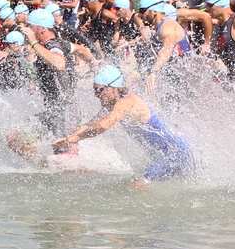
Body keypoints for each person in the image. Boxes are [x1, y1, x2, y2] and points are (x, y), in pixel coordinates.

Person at [48, 64, 194, 184]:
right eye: (95, 89)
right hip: (161, 156)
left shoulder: (128, 102)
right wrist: (70, 138)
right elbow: (90, 124)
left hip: (175, 153)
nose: (96, 94)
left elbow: (103, 126)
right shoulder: (112, 103)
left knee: (137, 186)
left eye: (100, 89)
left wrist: (76, 139)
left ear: (113, 88)